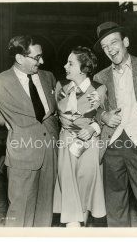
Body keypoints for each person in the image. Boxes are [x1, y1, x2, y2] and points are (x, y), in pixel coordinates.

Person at [93, 22, 137, 227]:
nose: (110, 49)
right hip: (112, 148)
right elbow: (94, 111)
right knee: (115, 210)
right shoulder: (100, 77)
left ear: (125, 42)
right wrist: (104, 116)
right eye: (105, 46)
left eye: (114, 42)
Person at [0, 35, 59, 227]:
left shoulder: (48, 77)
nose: (42, 61)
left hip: (50, 152)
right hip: (22, 153)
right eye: (37, 57)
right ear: (20, 58)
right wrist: (5, 120)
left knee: (45, 209)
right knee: (19, 211)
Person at [53, 46, 106, 227]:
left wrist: (93, 128)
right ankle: (72, 226)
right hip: (66, 141)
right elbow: (55, 113)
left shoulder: (99, 89)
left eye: (70, 63)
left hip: (89, 144)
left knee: (85, 184)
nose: (65, 66)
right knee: (67, 184)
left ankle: (82, 226)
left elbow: (105, 115)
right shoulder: (61, 87)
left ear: (84, 68)